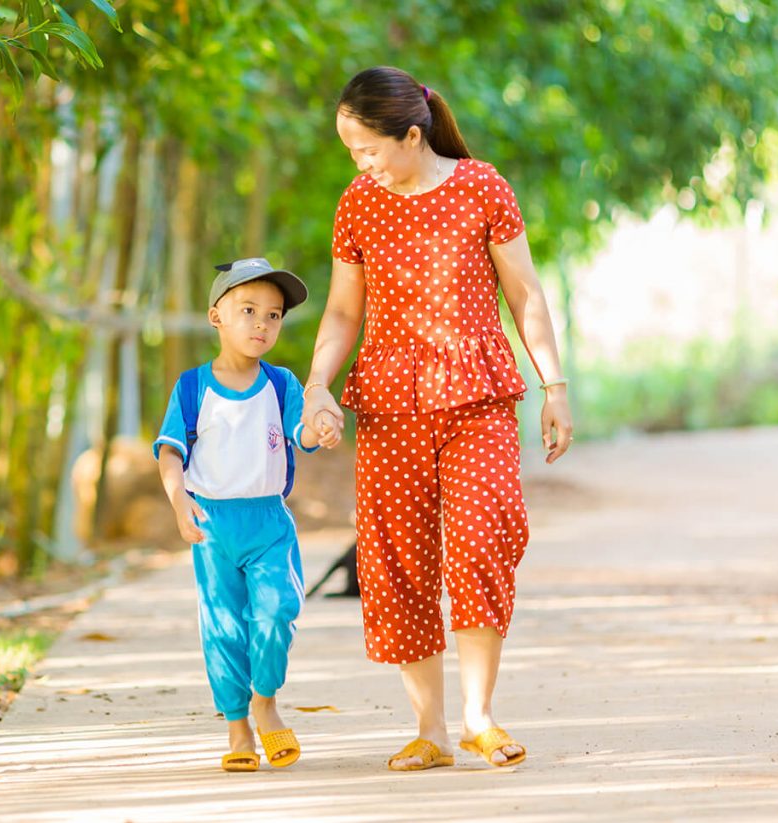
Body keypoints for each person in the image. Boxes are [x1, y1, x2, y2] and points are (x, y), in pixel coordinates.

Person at [301, 66, 574, 771]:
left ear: (412, 136)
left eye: (366, 149)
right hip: (391, 405)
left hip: (477, 396)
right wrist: (318, 385)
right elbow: (341, 311)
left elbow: (526, 293)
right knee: (397, 563)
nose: (359, 163)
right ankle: (430, 728)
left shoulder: (483, 186)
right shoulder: (358, 202)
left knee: (482, 541)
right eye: (351, 152)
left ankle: (481, 715)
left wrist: (554, 384)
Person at [154, 257, 339, 772]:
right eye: (249, 310)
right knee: (224, 629)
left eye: (274, 316)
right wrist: (178, 500)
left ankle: (266, 702)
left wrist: (319, 427)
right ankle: (238, 727)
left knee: (277, 609)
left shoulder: (280, 384)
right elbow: (170, 451)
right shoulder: (193, 388)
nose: (262, 324)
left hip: (267, 524)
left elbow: (301, 432)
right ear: (217, 316)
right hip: (212, 526)